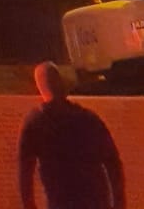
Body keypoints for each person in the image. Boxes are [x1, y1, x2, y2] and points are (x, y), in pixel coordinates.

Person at [18, 61, 125, 209]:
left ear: (40, 88)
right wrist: (119, 204)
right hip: (96, 200)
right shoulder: (89, 118)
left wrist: (29, 206)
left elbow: (25, 175)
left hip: (61, 202)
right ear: (62, 84)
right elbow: (113, 164)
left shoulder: (35, 122)